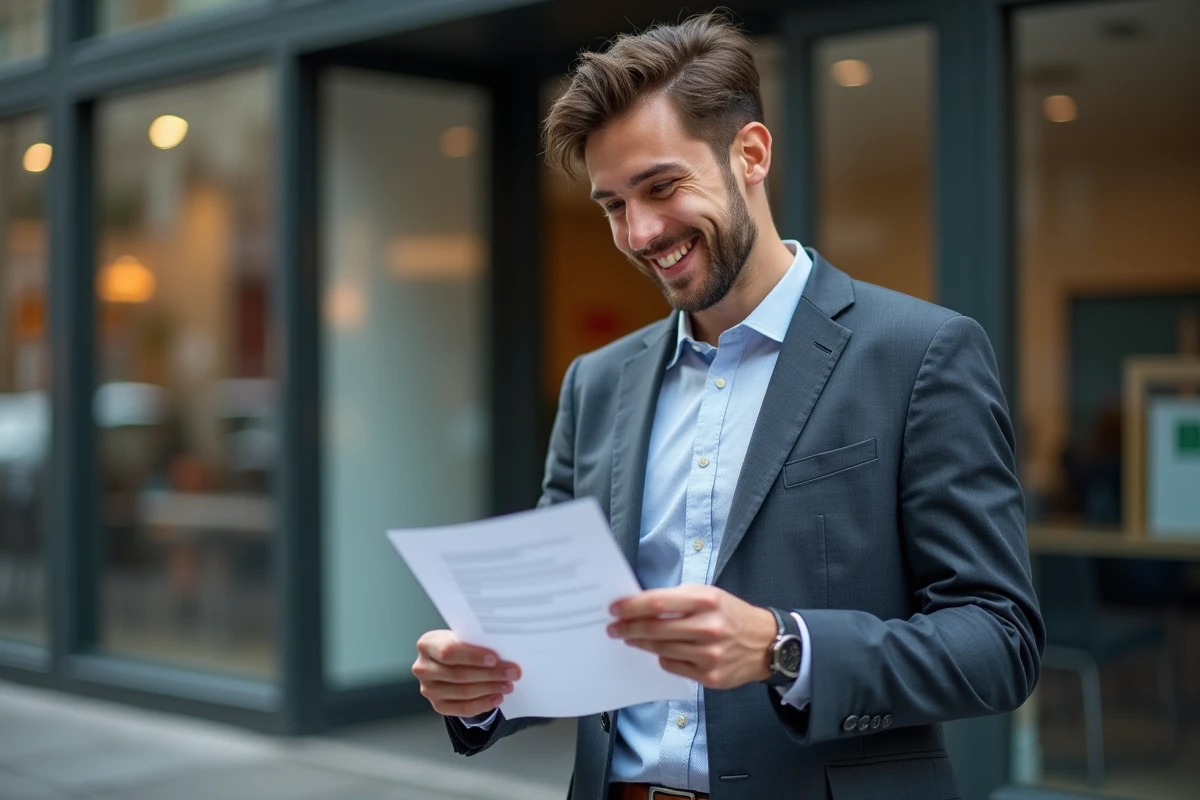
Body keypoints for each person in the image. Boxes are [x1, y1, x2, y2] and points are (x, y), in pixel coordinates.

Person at [412, 12, 1043, 800]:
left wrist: (785, 647)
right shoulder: (595, 384)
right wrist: (483, 686)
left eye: (662, 186)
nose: (641, 232)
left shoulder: (920, 355)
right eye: (613, 206)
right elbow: (564, 639)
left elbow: (1000, 641)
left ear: (751, 153)